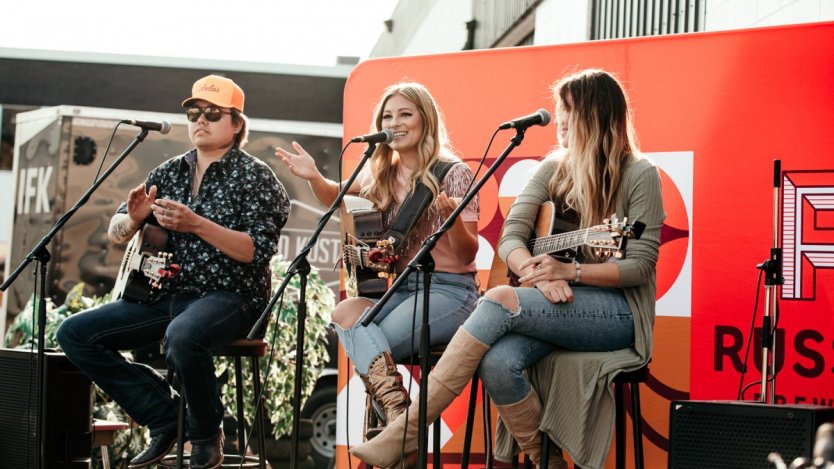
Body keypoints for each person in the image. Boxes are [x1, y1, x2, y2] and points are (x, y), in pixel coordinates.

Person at [350, 68, 665, 469]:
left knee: (499, 298)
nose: (559, 120)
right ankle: (548, 463)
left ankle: (404, 434)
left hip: (616, 314)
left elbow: (640, 265)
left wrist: (570, 273)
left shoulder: (640, 173)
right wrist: (537, 273)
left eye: (567, 111)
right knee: (497, 363)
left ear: (594, 114)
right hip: (554, 303)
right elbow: (511, 238)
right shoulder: (553, 169)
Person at [57, 75, 290, 469]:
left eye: (213, 113)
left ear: (237, 124)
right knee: (74, 334)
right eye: (194, 112)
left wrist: (195, 224)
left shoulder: (257, 177)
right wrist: (132, 220)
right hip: (165, 296)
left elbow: (256, 250)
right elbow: (116, 231)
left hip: (231, 297)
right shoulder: (168, 172)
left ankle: (206, 434)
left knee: (182, 336)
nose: (201, 120)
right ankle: (165, 416)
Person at [276, 82, 480, 439]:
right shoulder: (383, 171)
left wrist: (454, 222)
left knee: (371, 341)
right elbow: (333, 195)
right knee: (345, 314)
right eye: (387, 116)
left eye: (405, 114)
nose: (394, 123)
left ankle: (394, 427)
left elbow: (468, 254)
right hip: (401, 289)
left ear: (425, 120)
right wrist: (313, 176)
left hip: (449, 290)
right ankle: (399, 420)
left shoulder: (453, 172)